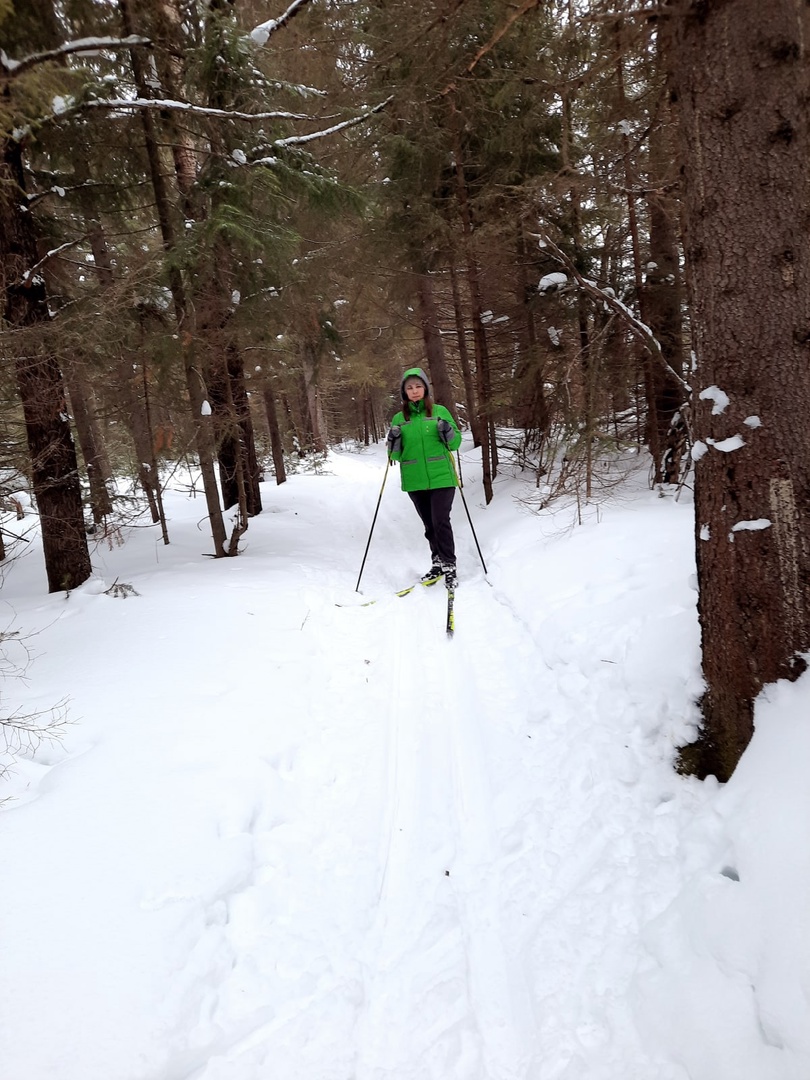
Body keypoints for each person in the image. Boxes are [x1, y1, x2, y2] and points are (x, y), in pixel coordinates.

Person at [386, 366, 463, 588]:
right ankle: (437, 562)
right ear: (404, 392)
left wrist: (447, 430)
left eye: (418, 386)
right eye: (410, 387)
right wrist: (394, 440)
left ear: (426, 388)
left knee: (441, 521)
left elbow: (455, 443)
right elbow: (394, 455)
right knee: (429, 524)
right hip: (415, 478)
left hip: (442, 477)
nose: (415, 390)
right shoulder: (400, 418)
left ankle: (449, 565)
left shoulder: (439, 411)